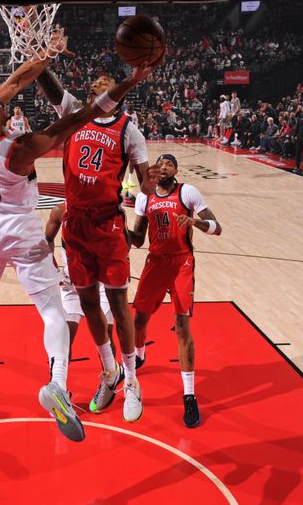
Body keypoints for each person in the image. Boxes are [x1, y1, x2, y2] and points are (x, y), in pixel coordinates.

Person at [0, 45, 156, 447]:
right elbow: (83, 115)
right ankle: (57, 384)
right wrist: (131, 82)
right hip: (19, 231)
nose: (1, 104)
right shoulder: (19, 150)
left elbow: (15, 81)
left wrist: (45, 52)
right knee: (52, 312)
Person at [36, 63, 154, 422]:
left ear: (116, 97)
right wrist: (39, 58)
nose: (94, 89)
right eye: (92, 87)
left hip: (107, 226)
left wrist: (140, 227)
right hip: (76, 226)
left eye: (103, 86)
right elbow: (52, 88)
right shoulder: (75, 113)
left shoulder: (129, 131)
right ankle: (109, 372)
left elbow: (145, 185)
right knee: (88, 304)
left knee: (119, 307)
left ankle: (132, 381)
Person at [128, 154, 222, 428]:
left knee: (182, 327)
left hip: (182, 262)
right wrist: (119, 232)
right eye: (161, 163)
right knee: (139, 320)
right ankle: (141, 356)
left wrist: (196, 223)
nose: (165, 166)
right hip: (156, 262)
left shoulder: (188, 192)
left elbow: (217, 228)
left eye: (169, 163)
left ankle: (189, 395)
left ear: (176, 170)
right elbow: (137, 239)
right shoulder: (145, 198)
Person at [44, 203, 116, 360]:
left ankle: (111, 381)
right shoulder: (60, 211)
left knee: (105, 335)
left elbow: (123, 242)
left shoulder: (105, 210)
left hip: (100, 281)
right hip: (73, 281)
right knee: (65, 338)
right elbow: (48, 238)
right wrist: (53, 269)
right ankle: (59, 381)